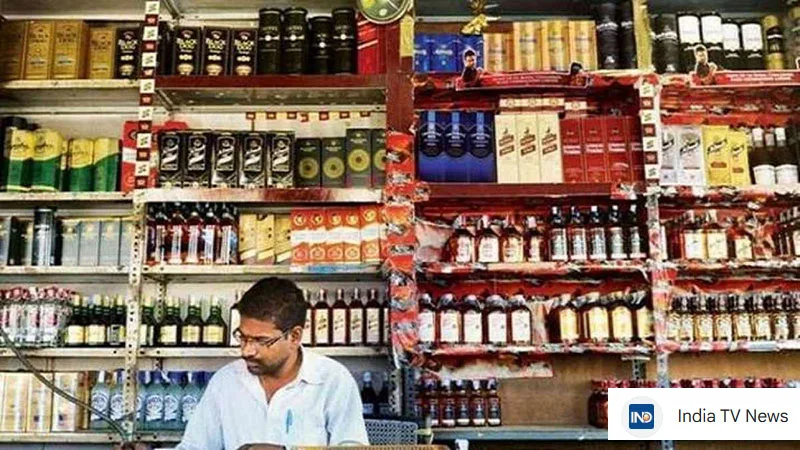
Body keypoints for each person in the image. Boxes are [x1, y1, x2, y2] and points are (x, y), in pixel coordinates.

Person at [177, 278, 369, 450]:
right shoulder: (226, 380)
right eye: (243, 338)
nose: (247, 351)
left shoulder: (332, 380)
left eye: (262, 341)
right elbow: (194, 447)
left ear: (294, 336)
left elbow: (353, 447)